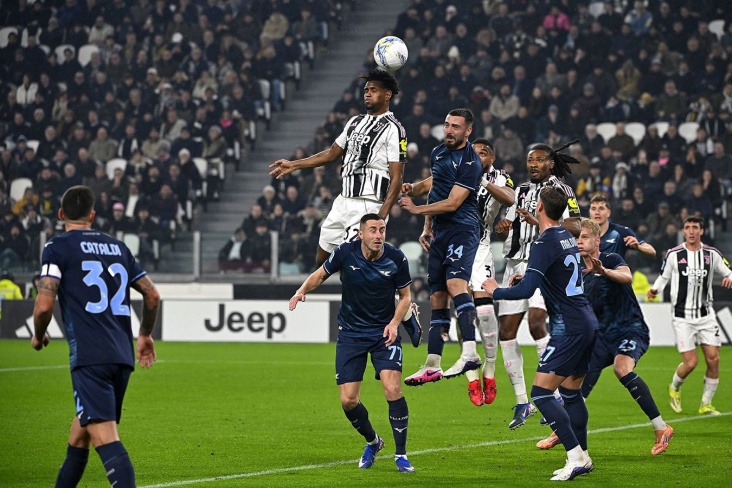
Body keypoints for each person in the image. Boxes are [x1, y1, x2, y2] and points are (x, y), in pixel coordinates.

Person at [269, 68, 421, 347]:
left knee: (356, 266)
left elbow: (397, 178)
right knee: (323, 260)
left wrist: (379, 218)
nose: (367, 94)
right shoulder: (354, 122)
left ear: (387, 95)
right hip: (343, 201)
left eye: (373, 90)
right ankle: (399, 304)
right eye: (366, 90)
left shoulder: (394, 129)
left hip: (368, 204)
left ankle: (400, 312)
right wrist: (295, 165)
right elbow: (331, 153)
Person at [31, 185, 161, 488]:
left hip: (90, 358)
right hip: (121, 356)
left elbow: (44, 305)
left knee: (106, 438)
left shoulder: (56, 247)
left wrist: (38, 335)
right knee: (79, 436)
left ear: (61, 214)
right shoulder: (118, 247)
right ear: (92, 215)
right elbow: (152, 295)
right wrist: (144, 334)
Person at [483, 186, 597, 481]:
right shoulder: (566, 236)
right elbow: (558, 274)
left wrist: (496, 291)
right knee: (571, 393)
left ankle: (575, 457)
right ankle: (584, 455)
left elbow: (526, 290)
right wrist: (530, 276)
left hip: (568, 327)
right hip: (586, 321)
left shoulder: (544, 242)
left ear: (540, 208)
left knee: (541, 394)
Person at [288, 214, 416, 473]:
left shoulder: (396, 258)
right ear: (361, 234)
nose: (379, 235)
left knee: (392, 388)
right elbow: (320, 275)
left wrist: (394, 323)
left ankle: (401, 455)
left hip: (383, 333)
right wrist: (301, 291)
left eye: (382, 230)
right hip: (351, 333)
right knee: (348, 400)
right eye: (373, 230)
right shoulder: (345, 253)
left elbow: (405, 297)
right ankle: (373, 442)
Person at [536, 218, 673, 455]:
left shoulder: (610, 259)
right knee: (570, 383)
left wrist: (604, 271)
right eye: (576, 238)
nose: (579, 242)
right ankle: (566, 431)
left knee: (622, 368)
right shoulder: (575, 271)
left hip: (629, 329)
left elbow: (627, 277)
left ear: (597, 240)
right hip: (599, 338)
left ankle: (661, 428)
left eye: (585, 237)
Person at [492, 141, 582, 429]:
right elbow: (507, 225)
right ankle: (523, 402)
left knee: (536, 322)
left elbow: (576, 226)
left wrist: (539, 222)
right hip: (515, 263)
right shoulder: (519, 191)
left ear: (551, 164)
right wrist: (503, 227)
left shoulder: (561, 190)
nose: (533, 164)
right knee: (506, 332)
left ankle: (552, 395)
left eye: (539, 160)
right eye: (530, 160)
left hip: (544, 262)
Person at [399, 108, 484, 384]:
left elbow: (453, 203)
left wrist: (417, 210)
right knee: (437, 297)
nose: (449, 130)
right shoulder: (438, 152)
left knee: (455, 284)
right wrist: (415, 190)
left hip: (463, 230)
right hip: (440, 232)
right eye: (447, 125)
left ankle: (470, 352)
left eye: (455, 127)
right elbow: (436, 184)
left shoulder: (471, 162)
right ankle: (432, 364)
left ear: (467, 131)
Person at [648, 217, 732, 416]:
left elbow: (728, 272)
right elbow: (664, 277)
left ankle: (706, 404)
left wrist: (729, 277)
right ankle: (674, 388)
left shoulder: (712, 254)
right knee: (691, 363)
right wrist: (655, 289)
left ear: (702, 231)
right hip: (682, 317)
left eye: (695, 227)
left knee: (713, 360)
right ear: (683, 231)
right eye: (687, 228)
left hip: (706, 315)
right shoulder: (674, 254)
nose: (691, 231)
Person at [463, 139, 516, 406]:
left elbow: (511, 199)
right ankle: (471, 374)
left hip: (481, 246)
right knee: (463, 310)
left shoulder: (500, 177)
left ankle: (490, 367)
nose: (476, 157)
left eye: (482, 153)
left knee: (484, 313)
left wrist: (481, 180)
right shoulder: (457, 169)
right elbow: (435, 194)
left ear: (492, 158)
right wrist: (427, 227)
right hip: (454, 245)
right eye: (473, 153)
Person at [588, 195, 656, 259]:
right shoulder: (583, 232)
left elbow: (652, 251)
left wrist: (638, 247)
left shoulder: (620, 232)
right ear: (589, 212)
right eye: (593, 209)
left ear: (608, 213)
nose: (597, 212)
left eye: (601, 208)